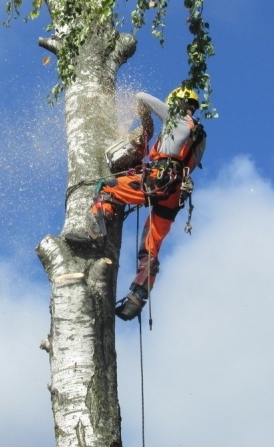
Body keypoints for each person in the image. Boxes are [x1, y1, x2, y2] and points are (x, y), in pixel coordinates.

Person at [65, 88, 207, 321]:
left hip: (160, 179)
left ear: (175, 103)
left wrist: (145, 120)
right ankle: (137, 298)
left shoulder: (175, 117)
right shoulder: (200, 136)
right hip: (176, 192)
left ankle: (96, 237)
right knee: (150, 245)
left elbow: (141, 97)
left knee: (106, 187)